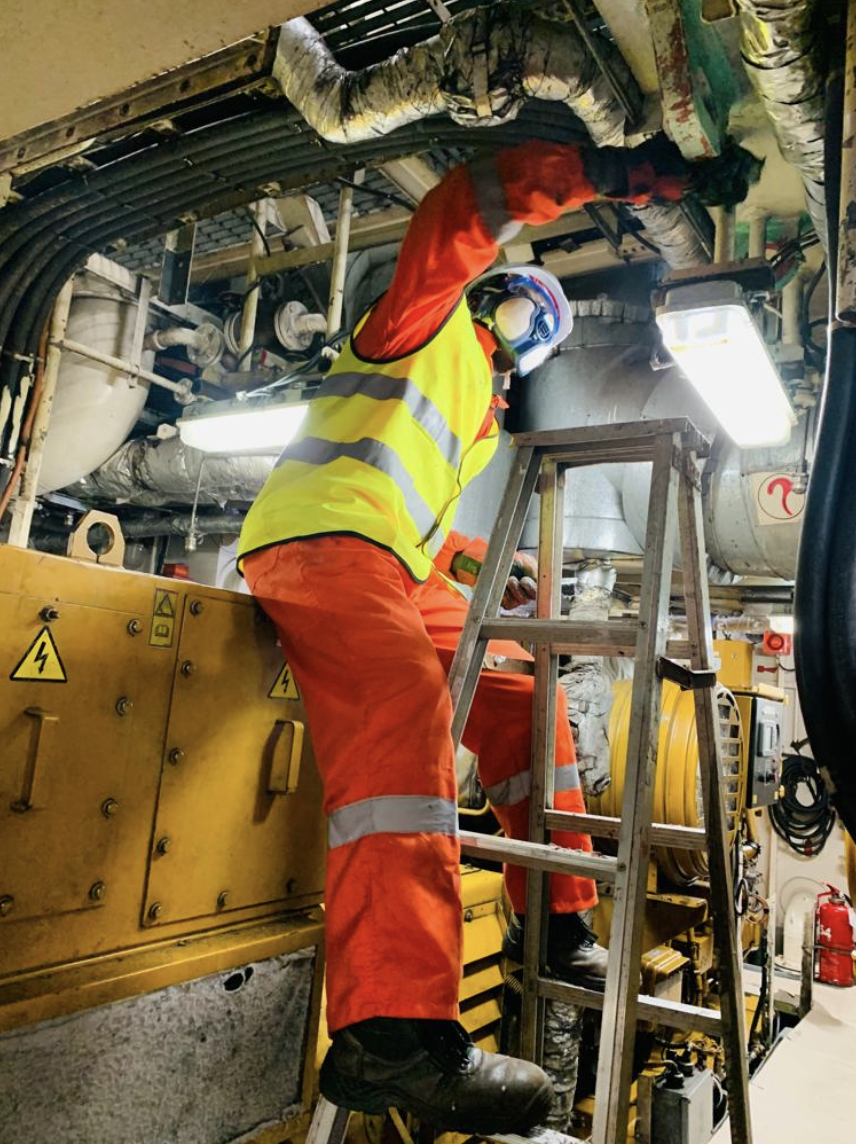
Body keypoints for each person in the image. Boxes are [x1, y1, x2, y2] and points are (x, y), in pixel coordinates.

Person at [238, 135, 746, 1134]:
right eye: (522, 308)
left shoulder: (478, 417)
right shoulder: (419, 325)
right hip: (316, 544)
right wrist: (605, 175)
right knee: (403, 716)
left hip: (390, 561)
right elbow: (454, 215)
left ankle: (554, 926)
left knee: (526, 698)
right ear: (488, 298)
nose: (527, 332)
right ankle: (392, 1033)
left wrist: (482, 566)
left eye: (540, 332)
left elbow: (418, 517)